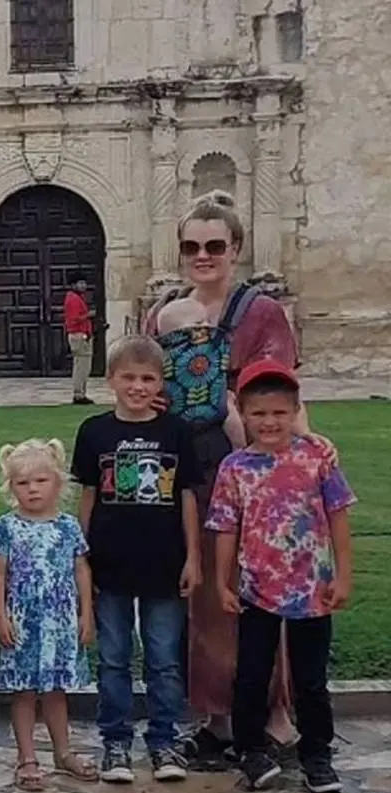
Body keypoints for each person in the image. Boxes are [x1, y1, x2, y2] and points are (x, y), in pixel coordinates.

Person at [143, 190, 307, 763]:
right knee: (205, 597)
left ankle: (274, 713)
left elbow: (282, 392)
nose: (203, 256)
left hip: (250, 466)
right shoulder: (163, 314)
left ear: (235, 248)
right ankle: (218, 717)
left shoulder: (260, 313)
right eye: (192, 247)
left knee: (260, 590)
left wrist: (305, 453)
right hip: (183, 467)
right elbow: (145, 379)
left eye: (214, 245)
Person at [206, 360, 355, 793]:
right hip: (257, 589)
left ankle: (317, 755)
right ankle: (251, 749)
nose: (269, 422)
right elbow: (225, 527)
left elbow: (338, 516)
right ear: (243, 414)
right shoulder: (235, 468)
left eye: (278, 413)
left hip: (312, 589)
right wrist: (222, 582)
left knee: (311, 678)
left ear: (294, 411)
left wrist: (343, 576)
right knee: (252, 673)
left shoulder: (317, 459)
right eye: (259, 413)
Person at [72, 335, 202, 784]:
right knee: (114, 657)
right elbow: (88, 495)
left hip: (165, 561)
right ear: (111, 380)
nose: (138, 387)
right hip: (110, 562)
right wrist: (81, 556)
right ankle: (116, 741)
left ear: (160, 383)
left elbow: (187, 497)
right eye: (128, 377)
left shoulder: (176, 432)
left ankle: (164, 739)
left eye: (147, 379)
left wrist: (193, 556)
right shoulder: (94, 431)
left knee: (164, 658)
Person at [0, 439, 97, 792]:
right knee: (24, 691)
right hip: (23, 623)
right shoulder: (6, 527)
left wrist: (85, 614)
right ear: (11, 487)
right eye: (22, 483)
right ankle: (27, 757)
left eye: (40, 481)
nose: (32, 489)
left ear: (58, 483)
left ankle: (63, 752)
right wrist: (0, 617)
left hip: (59, 622)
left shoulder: (68, 527)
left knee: (55, 690)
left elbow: (81, 570)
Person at [154, 296, 246, 449]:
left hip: (192, 413)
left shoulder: (159, 353)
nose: (207, 326)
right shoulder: (211, 345)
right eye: (199, 323)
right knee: (227, 406)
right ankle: (239, 448)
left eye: (208, 321)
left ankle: (239, 448)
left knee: (227, 404)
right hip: (202, 414)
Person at [63, 276, 95, 405]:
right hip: (79, 335)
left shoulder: (78, 298)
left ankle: (81, 392)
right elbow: (74, 319)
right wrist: (89, 315)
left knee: (83, 366)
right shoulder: (74, 299)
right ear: (73, 285)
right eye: (80, 283)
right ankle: (78, 394)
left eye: (84, 283)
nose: (83, 285)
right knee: (81, 366)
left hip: (81, 334)